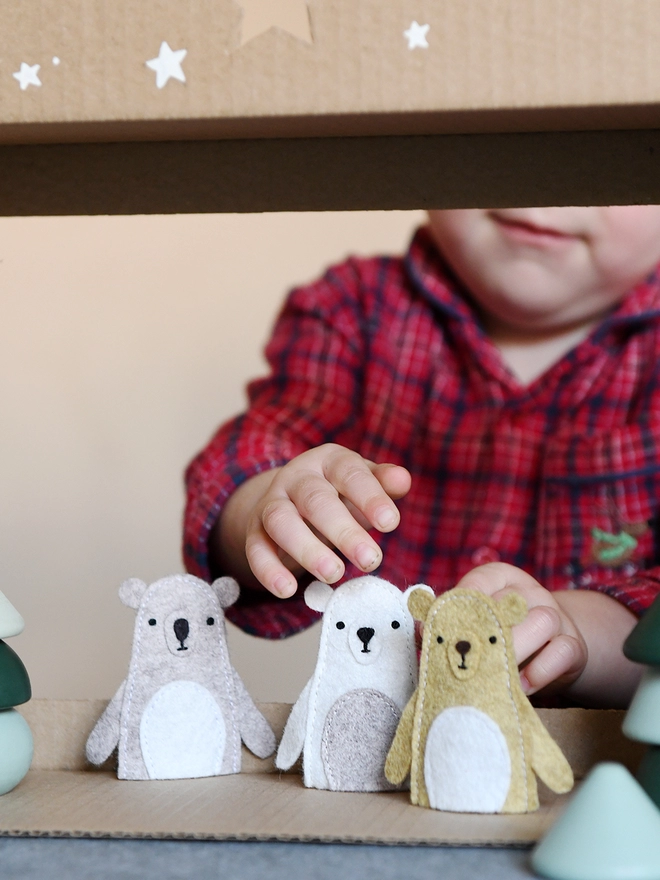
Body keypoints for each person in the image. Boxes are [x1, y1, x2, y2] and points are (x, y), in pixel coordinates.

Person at [184, 207, 660, 709]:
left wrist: (574, 628)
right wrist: (271, 506)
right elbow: (250, 453)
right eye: (507, 133)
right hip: (395, 750)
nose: (547, 195)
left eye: (596, 148)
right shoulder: (354, 307)